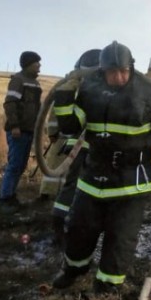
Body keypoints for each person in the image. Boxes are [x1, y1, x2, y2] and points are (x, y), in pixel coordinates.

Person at [52, 40, 151, 296]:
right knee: (78, 230)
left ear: (131, 68)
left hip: (132, 182)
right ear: (102, 71)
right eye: (112, 72)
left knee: (121, 238)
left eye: (123, 71)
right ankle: (73, 269)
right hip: (93, 178)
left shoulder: (149, 94)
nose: (118, 77)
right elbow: (71, 126)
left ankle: (107, 286)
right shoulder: (90, 91)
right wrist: (65, 94)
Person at [47, 48, 101, 244]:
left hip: (83, 147)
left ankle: (64, 224)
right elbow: (71, 122)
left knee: (75, 187)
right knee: (77, 188)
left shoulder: (84, 90)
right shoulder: (86, 93)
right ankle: (64, 225)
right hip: (83, 147)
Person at [0, 51, 43, 213]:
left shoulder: (35, 84)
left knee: (21, 165)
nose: (39, 66)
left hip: (29, 131)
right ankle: (5, 199)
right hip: (18, 131)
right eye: (36, 63)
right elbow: (10, 104)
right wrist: (15, 125)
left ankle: (11, 196)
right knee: (15, 164)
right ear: (28, 64)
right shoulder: (18, 80)